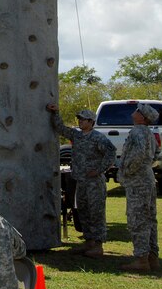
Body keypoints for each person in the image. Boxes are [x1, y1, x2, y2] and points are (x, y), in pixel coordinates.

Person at [46, 104, 116, 258]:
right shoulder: (77, 135)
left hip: (94, 182)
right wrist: (55, 112)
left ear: (91, 122)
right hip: (81, 181)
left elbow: (111, 153)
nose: (80, 122)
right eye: (79, 119)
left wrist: (99, 169)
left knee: (96, 212)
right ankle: (88, 241)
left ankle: (98, 245)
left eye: (83, 120)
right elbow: (60, 128)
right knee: (83, 211)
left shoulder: (98, 137)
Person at [118, 102, 160, 272]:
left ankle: (141, 259)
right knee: (150, 217)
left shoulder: (137, 132)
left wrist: (126, 171)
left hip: (138, 180)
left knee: (138, 218)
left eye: (137, 111)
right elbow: (156, 154)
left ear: (142, 117)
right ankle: (152, 257)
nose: (133, 112)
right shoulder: (149, 133)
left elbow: (138, 154)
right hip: (147, 176)